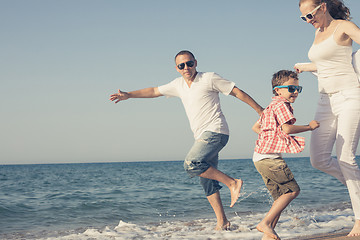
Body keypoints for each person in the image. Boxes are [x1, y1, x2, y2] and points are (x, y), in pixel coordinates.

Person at [109, 50, 263, 230]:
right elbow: (153, 91)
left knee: (191, 164)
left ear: (196, 63)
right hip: (201, 137)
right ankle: (222, 222)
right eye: (182, 65)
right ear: (177, 68)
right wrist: (129, 95)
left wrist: (259, 110)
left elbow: (236, 92)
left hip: (216, 131)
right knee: (206, 181)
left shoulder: (209, 78)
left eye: (189, 63)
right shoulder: (178, 85)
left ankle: (232, 183)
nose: (186, 68)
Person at [294, 0, 360, 236]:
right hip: (325, 101)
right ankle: (357, 188)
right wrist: (306, 66)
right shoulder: (318, 33)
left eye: (310, 15)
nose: (308, 21)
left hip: (350, 96)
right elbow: (327, 63)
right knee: (318, 160)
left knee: (345, 158)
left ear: (322, 7)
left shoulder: (343, 26)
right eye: (303, 18)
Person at [252, 70, 320, 240]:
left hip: (259, 157)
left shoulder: (269, 107)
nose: (296, 92)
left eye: (298, 89)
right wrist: (309, 127)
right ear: (278, 90)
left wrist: (271, 137)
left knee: (279, 200)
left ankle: (267, 236)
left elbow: (255, 128)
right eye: (291, 88)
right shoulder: (282, 105)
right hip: (270, 158)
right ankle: (265, 223)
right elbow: (287, 129)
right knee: (292, 191)